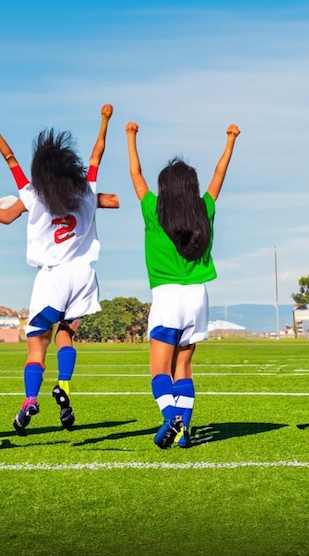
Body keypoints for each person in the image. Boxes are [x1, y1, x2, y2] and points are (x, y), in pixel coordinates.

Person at [0, 105, 118, 434]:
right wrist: (104, 121)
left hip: (53, 276)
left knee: (36, 342)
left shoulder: (34, 195)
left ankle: (30, 399)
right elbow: (96, 155)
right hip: (84, 276)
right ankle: (64, 386)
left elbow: (10, 159)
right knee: (66, 335)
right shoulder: (85, 191)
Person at [126, 120, 240, 448]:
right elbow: (220, 175)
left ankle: (171, 418)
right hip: (197, 297)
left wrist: (131, 137)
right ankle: (185, 432)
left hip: (166, 297)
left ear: (165, 187)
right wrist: (230, 140)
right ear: (191, 187)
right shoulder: (204, 209)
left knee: (159, 369)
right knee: (184, 367)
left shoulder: (152, 209)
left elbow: (136, 175)